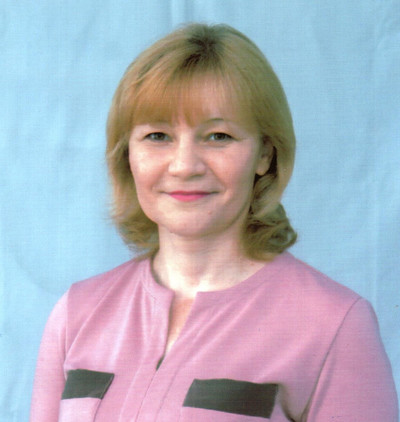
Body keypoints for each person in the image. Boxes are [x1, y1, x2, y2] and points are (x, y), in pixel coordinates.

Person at [30, 23, 398, 421]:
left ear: (264, 154)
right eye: (158, 136)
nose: (185, 166)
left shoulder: (333, 323)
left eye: (218, 136)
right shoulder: (77, 314)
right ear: (127, 155)